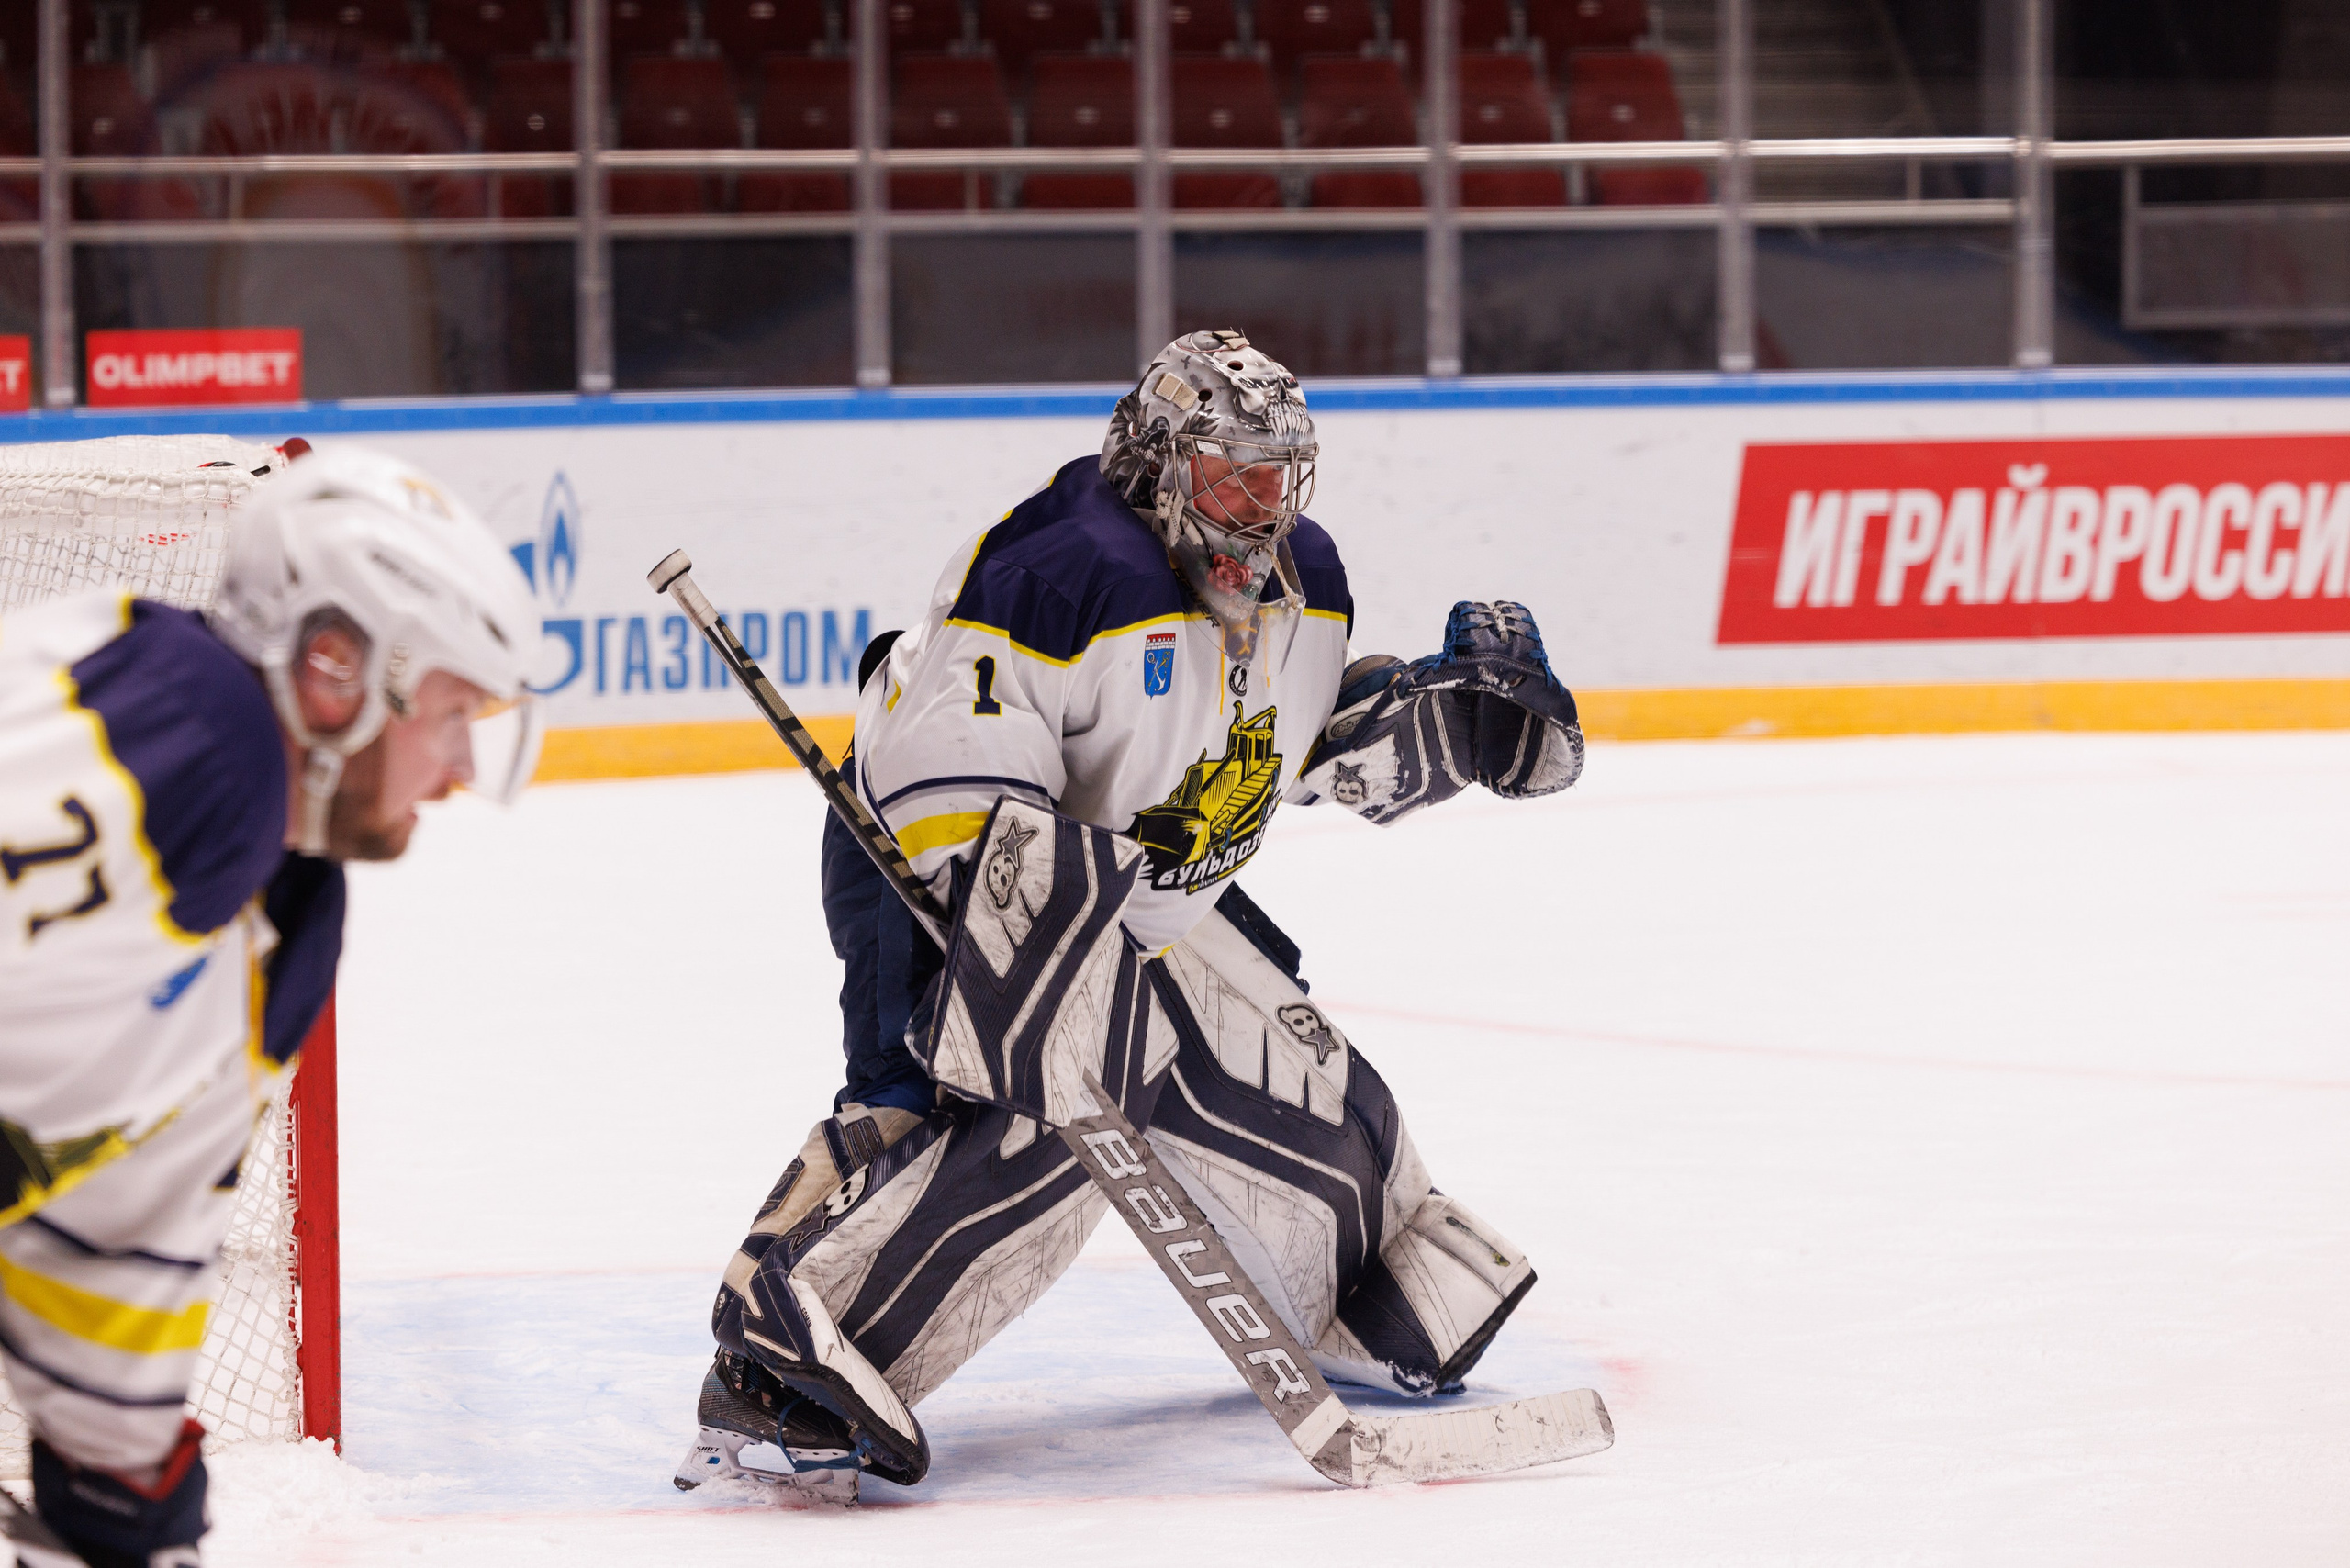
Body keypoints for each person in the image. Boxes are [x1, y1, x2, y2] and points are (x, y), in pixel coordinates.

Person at [677, 330, 1587, 1501]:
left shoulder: (1303, 577)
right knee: (1030, 1105)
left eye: (1281, 474)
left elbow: (1279, 747)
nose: (1262, 507)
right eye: (1232, 474)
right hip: (938, 871)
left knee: (1310, 1094)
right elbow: (930, 782)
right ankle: (783, 1359)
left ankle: (1360, 1288)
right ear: (1160, 461)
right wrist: (1034, 964)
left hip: (1140, 898)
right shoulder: (1056, 573)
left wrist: (1447, 724)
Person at [0, 442, 542, 1567]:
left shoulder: (282, 919)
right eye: (447, 711)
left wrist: (119, 1484)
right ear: (335, 666)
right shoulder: (194, 734)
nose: (453, 768)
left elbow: (113, 1237)